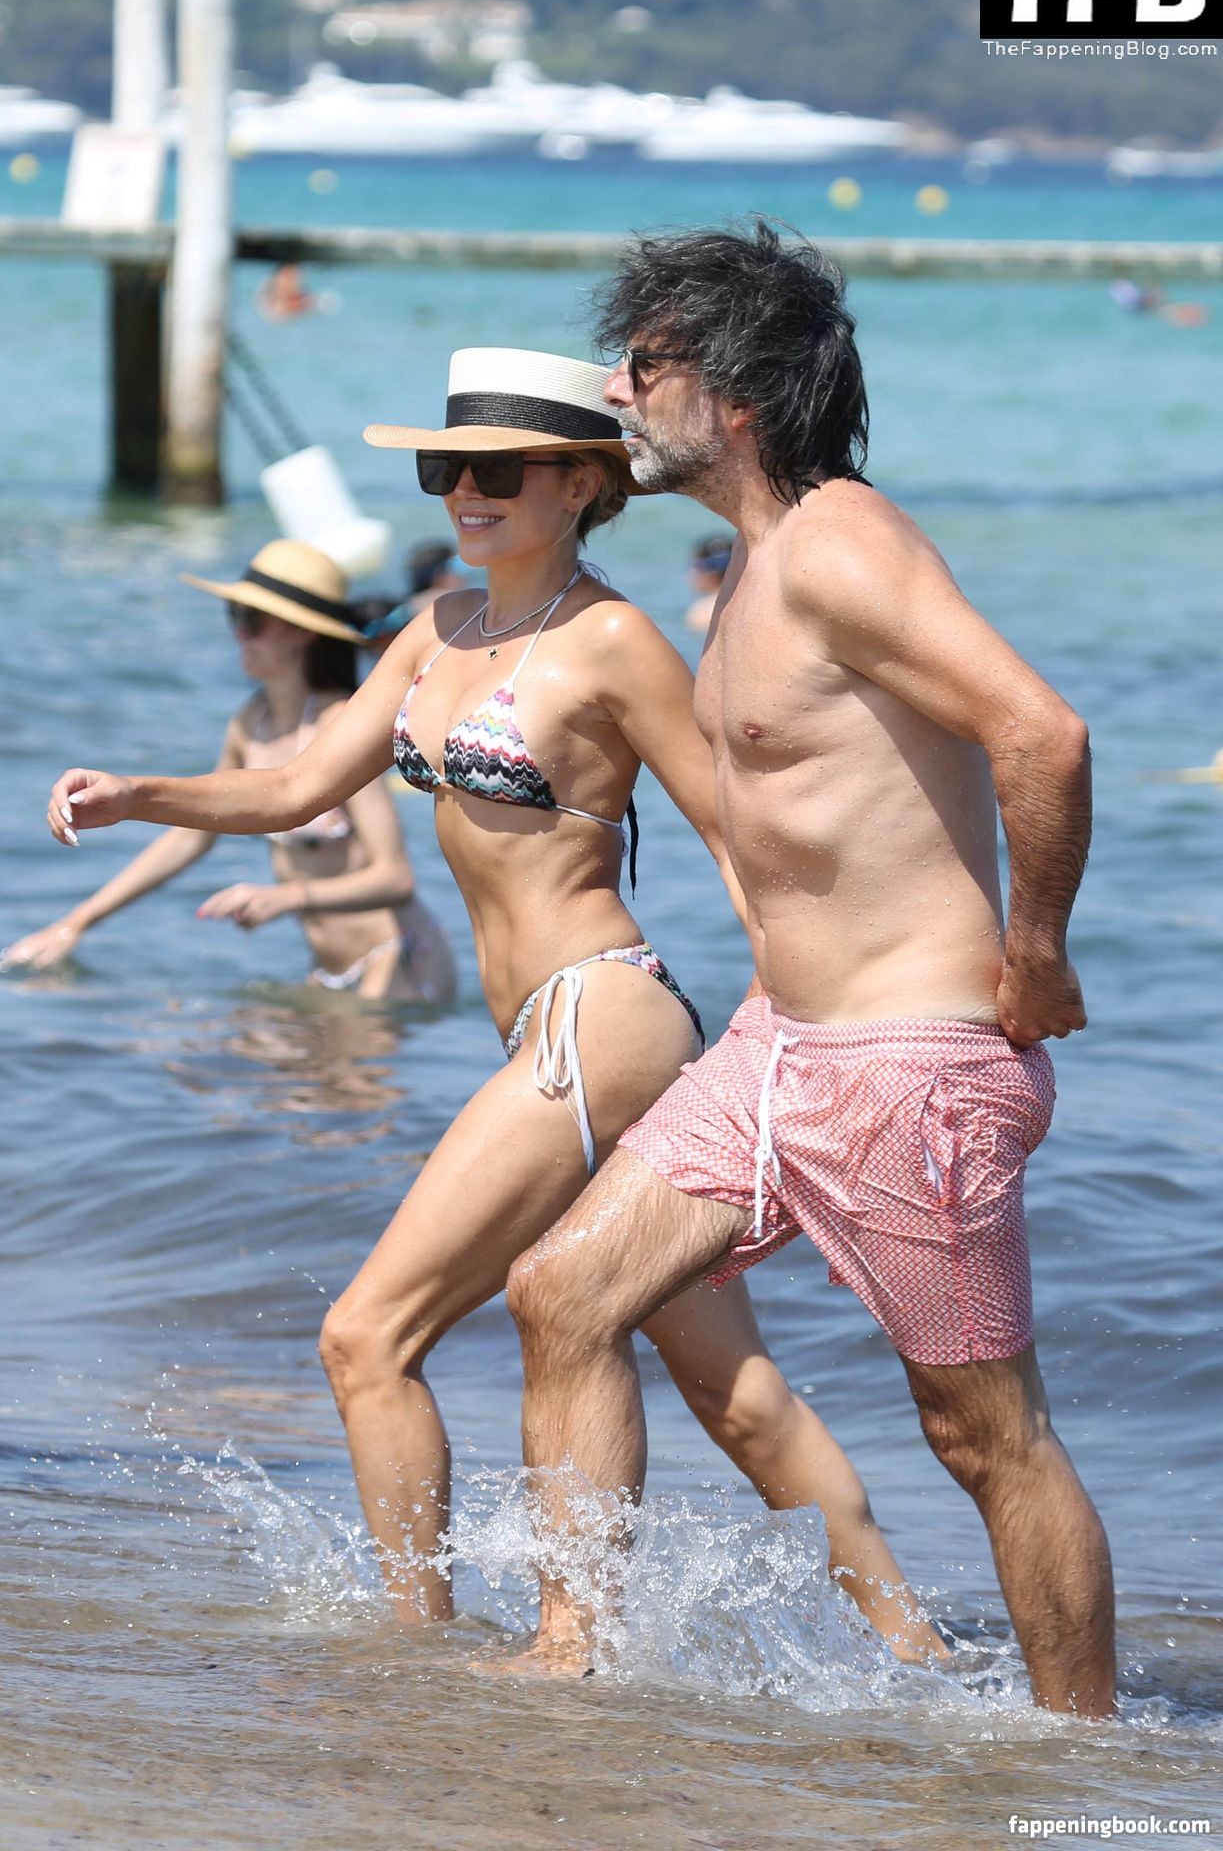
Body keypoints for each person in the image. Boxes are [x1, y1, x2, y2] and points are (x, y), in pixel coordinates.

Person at [44, 348, 944, 1664]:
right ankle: (919, 1654)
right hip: (545, 1035)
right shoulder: (436, 627)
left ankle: (441, 1654)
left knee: (367, 1337)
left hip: (603, 1020)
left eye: (498, 470)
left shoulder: (614, 639)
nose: (465, 491)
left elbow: (737, 839)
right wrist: (142, 793)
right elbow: (293, 791)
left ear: (581, 483)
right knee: (736, 1398)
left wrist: (795, 1028)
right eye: (444, 467)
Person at [497, 227, 1117, 1717]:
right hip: (778, 1052)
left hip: (910, 1062)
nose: (614, 388)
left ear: (735, 395)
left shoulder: (841, 547)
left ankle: (1084, 1756)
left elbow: (1041, 735)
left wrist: (1034, 950)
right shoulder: (758, 567)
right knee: (562, 1293)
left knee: (981, 1434)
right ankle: (570, 1660)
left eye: (641, 363)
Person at [11, 541, 454, 1004]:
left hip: (396, 963)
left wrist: (286, 897)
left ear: (303, 633)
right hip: (328, 974)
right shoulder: (250, 725)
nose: (239, 634)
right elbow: (191, 836)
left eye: (253, 621)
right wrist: (74, 924)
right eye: (234, 616)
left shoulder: (341, 726)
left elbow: (396, 877)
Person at [354, 539, 467, 653]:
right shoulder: (445, 601)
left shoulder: (409, 604)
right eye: (457, 568)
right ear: (439, 574)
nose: (463, 576)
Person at [684, 533, 733, 635]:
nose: (690, 575)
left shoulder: (701, 612)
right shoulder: (747, 602)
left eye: (695, 567)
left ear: (710, 574)